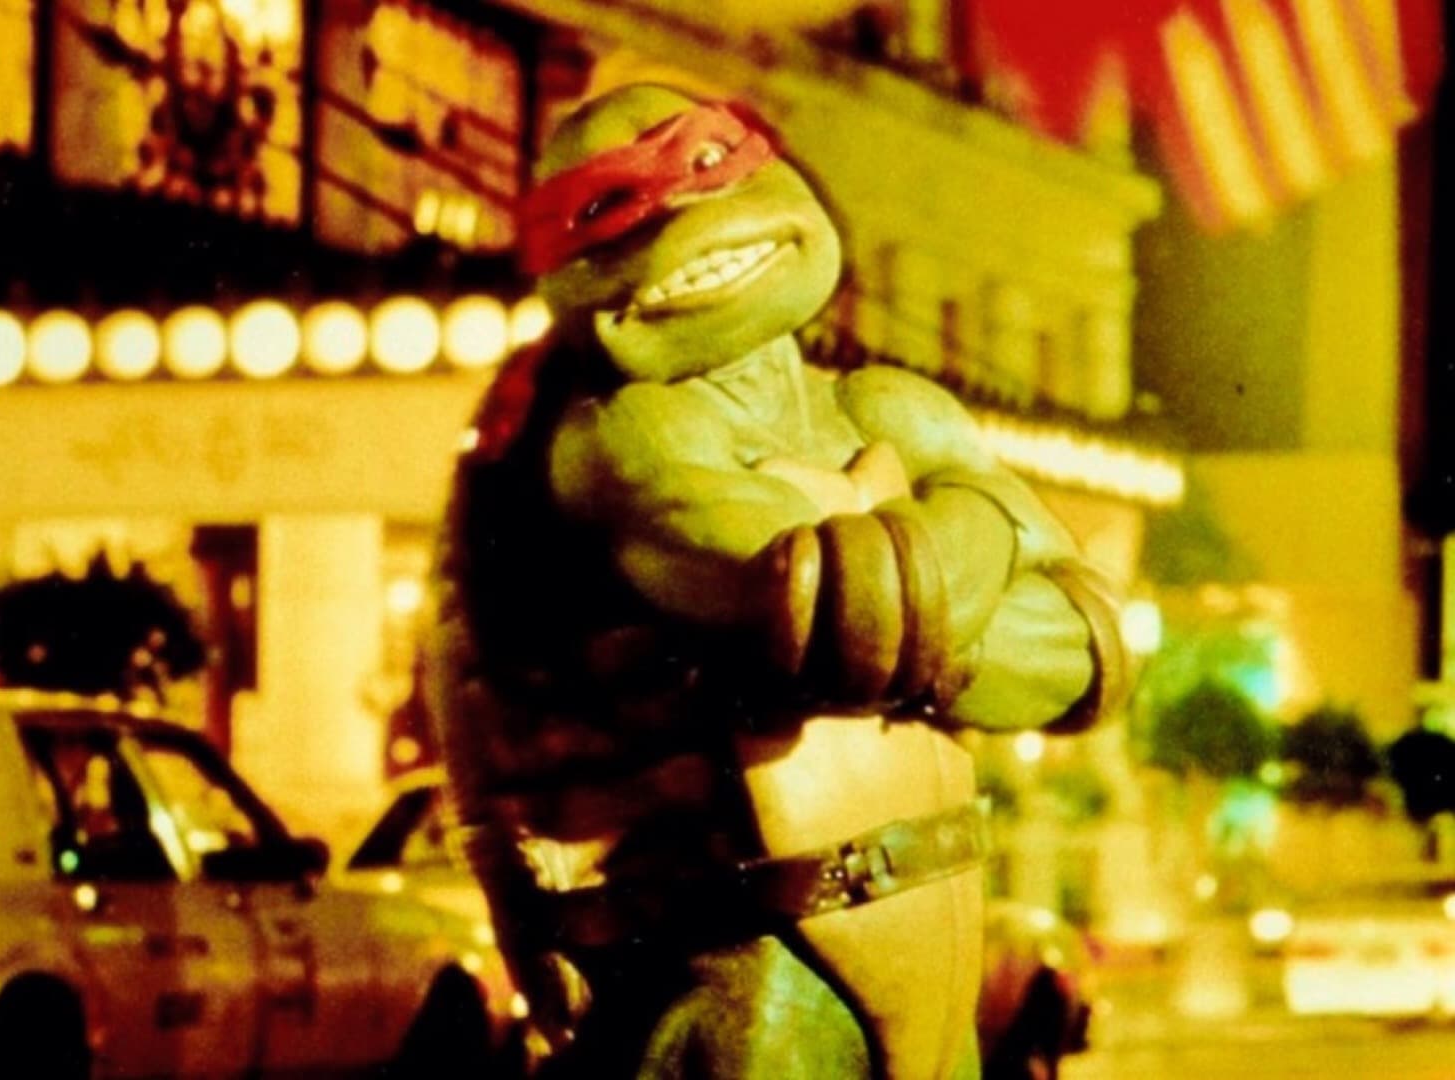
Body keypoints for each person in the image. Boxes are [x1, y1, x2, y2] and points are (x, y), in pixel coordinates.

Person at [426, 84, 1130, 1079]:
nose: (688, 222)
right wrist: (975, 516)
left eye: (707, 167)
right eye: (614, 210)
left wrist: (914, 590)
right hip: (744, 972)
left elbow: (1091, 650)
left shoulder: (890, 410)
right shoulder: (623, 438)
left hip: (929, 954)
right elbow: (825, 605)